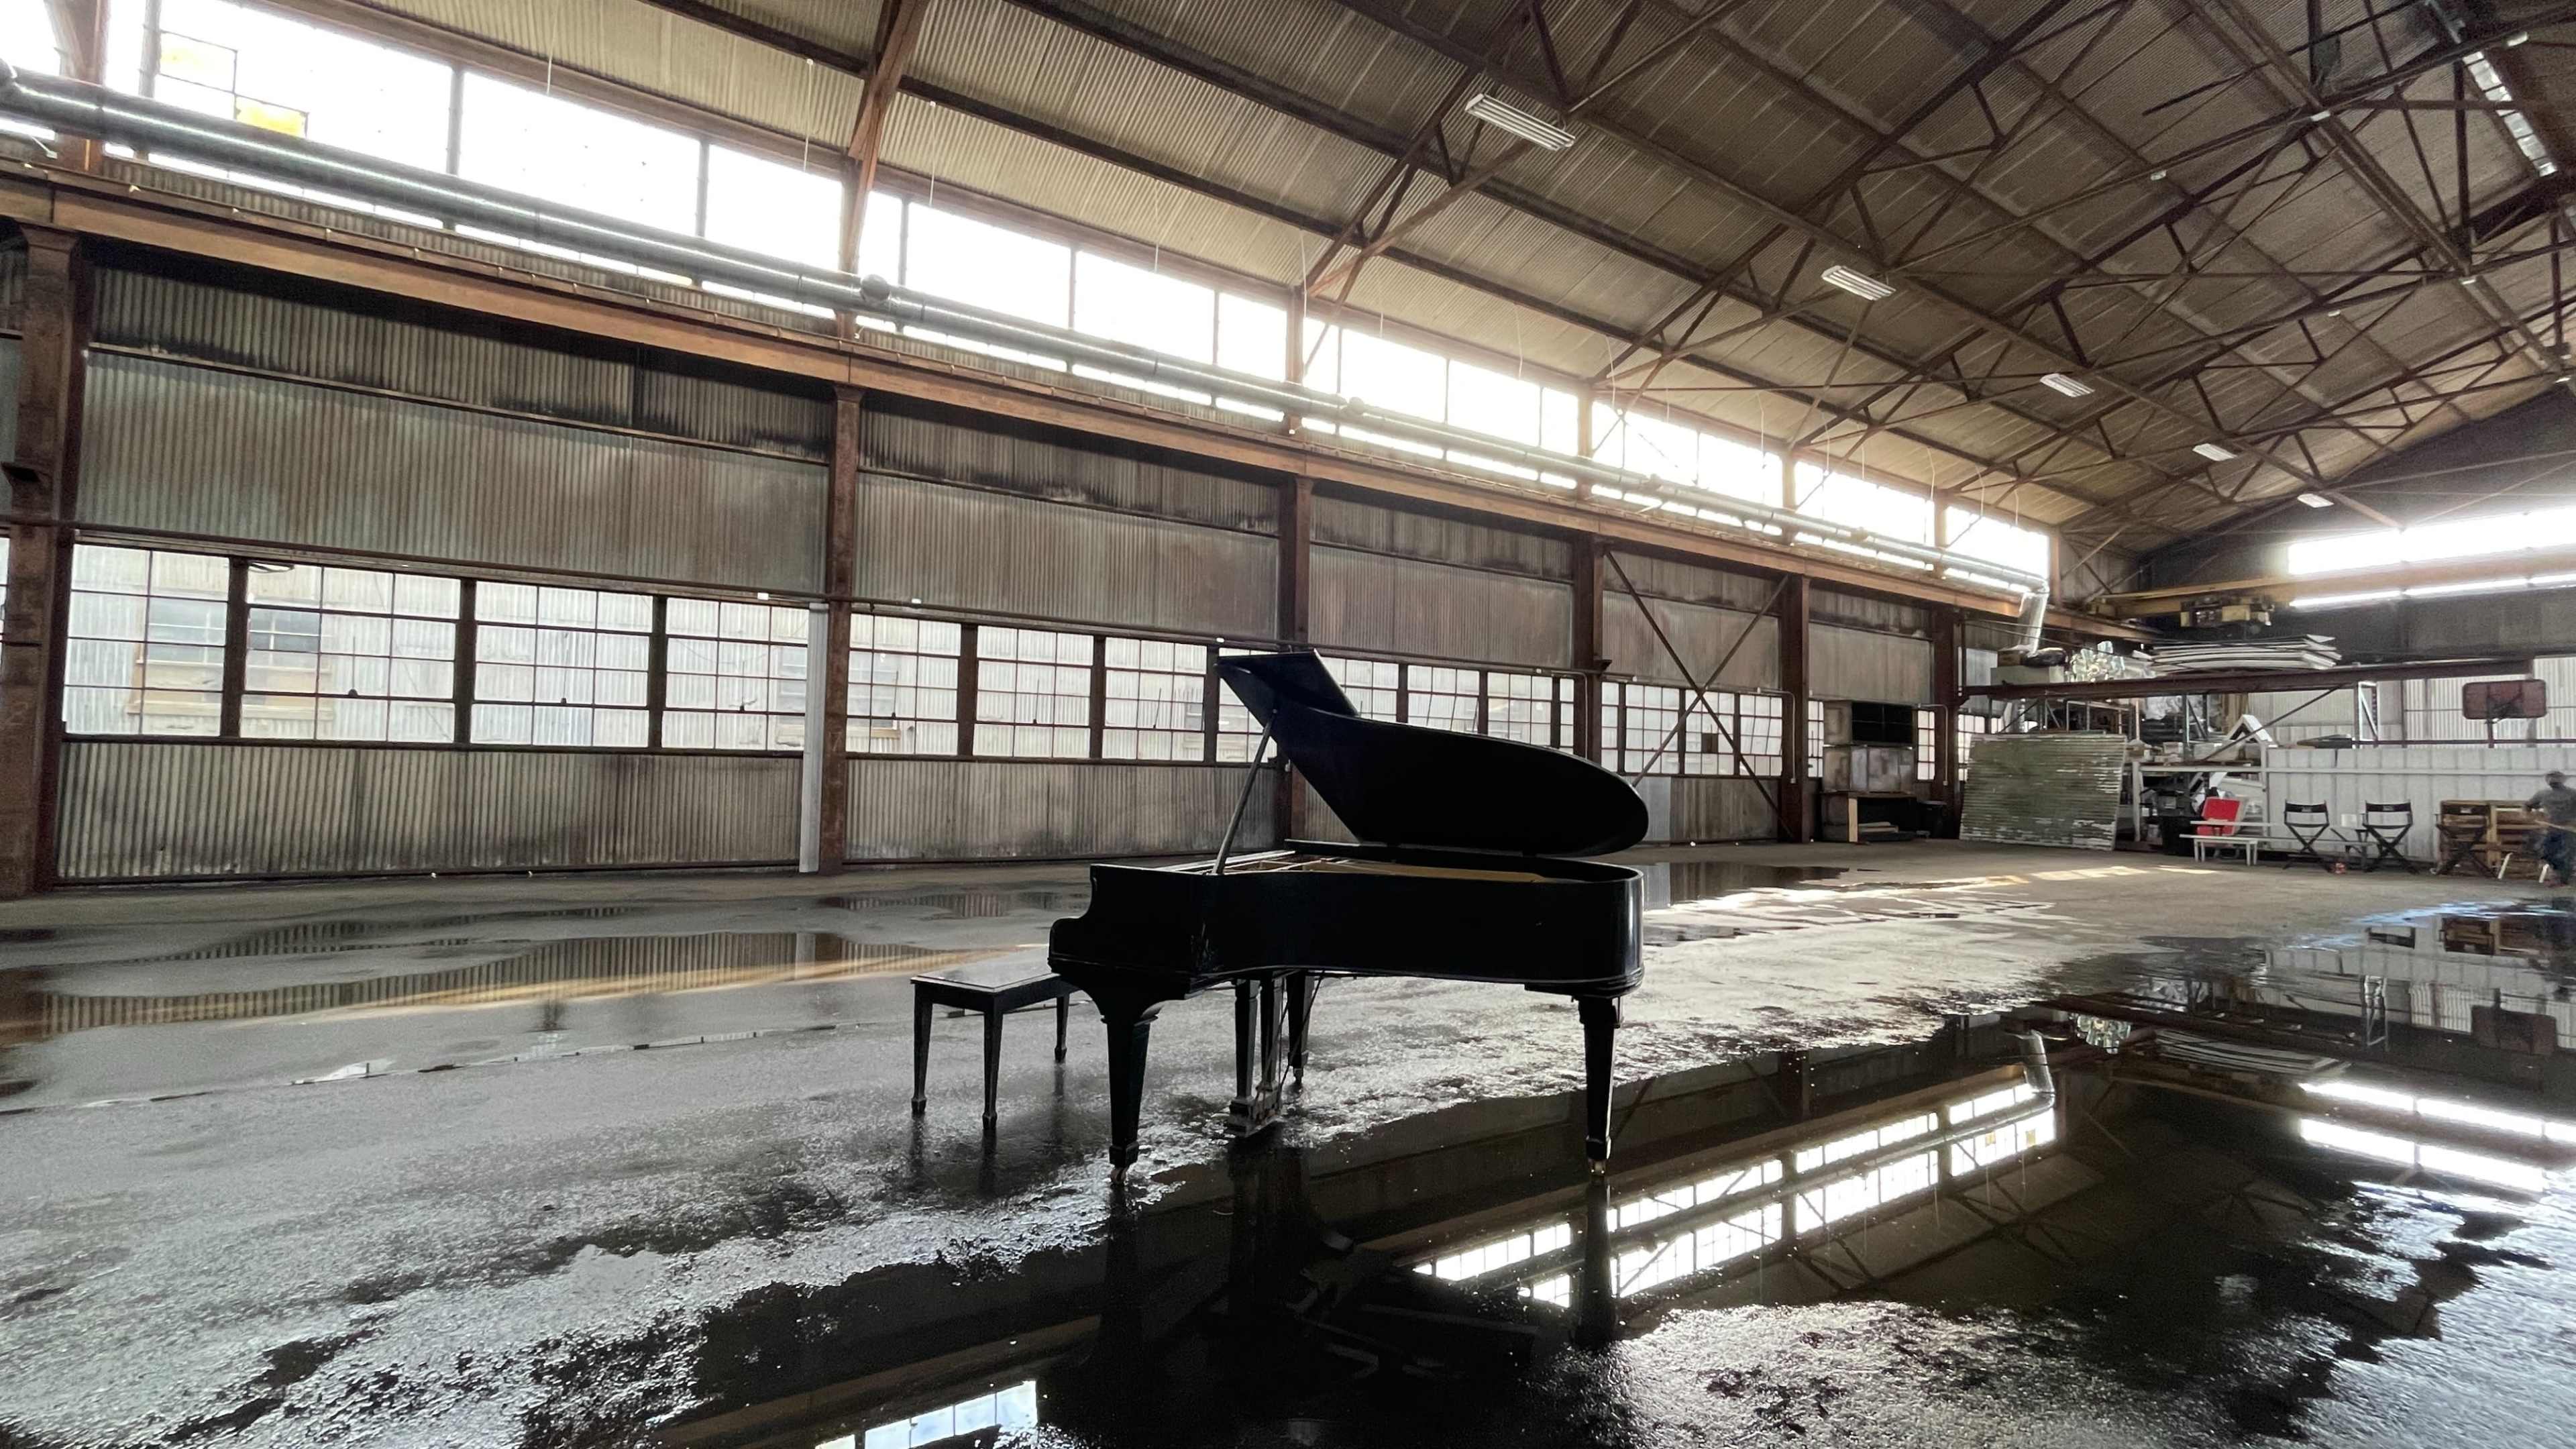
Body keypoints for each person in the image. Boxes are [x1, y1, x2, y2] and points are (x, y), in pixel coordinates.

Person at [2528, 770, 2576, 884]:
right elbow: (2528, 806)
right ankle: (2557, 876)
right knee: (2547, 854)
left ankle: (2562, 881)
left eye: (2556, 778)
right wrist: (2531, 816)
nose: (2552, 780)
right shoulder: (2542, 794)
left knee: (2565, 855)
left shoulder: (2573, 794)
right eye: (2550, 778)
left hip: (2568, 830)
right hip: (2550, 830)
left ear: (2563, 780)